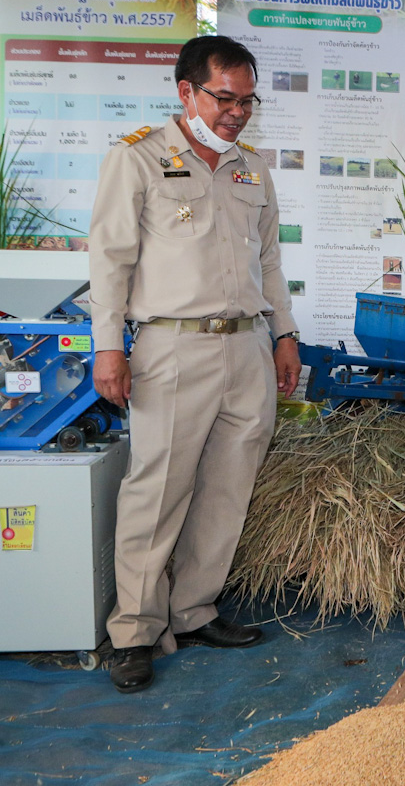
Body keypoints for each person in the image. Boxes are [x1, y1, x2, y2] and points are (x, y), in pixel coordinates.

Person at [90, 35, 301, 694]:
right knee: (156, 491)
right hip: (172, 345)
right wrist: (108, 345)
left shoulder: (253, 168)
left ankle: (195, 607)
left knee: (228, 486)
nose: (238, 110)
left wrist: (284, 333)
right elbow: (110, 260)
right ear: (186, 92)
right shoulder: (140, 159)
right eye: (225, 97)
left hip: (246, 344)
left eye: (247, 99)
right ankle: (134, 629)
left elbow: (269, 261)